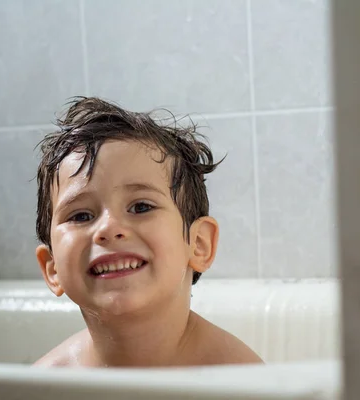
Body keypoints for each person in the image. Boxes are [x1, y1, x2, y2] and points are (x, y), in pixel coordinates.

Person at [33, 97, 263, 368]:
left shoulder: (237, 378)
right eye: (81, 216)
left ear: (199, 244)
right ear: (52, 268)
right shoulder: (46, 385)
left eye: (141, 207)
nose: (108, 228)